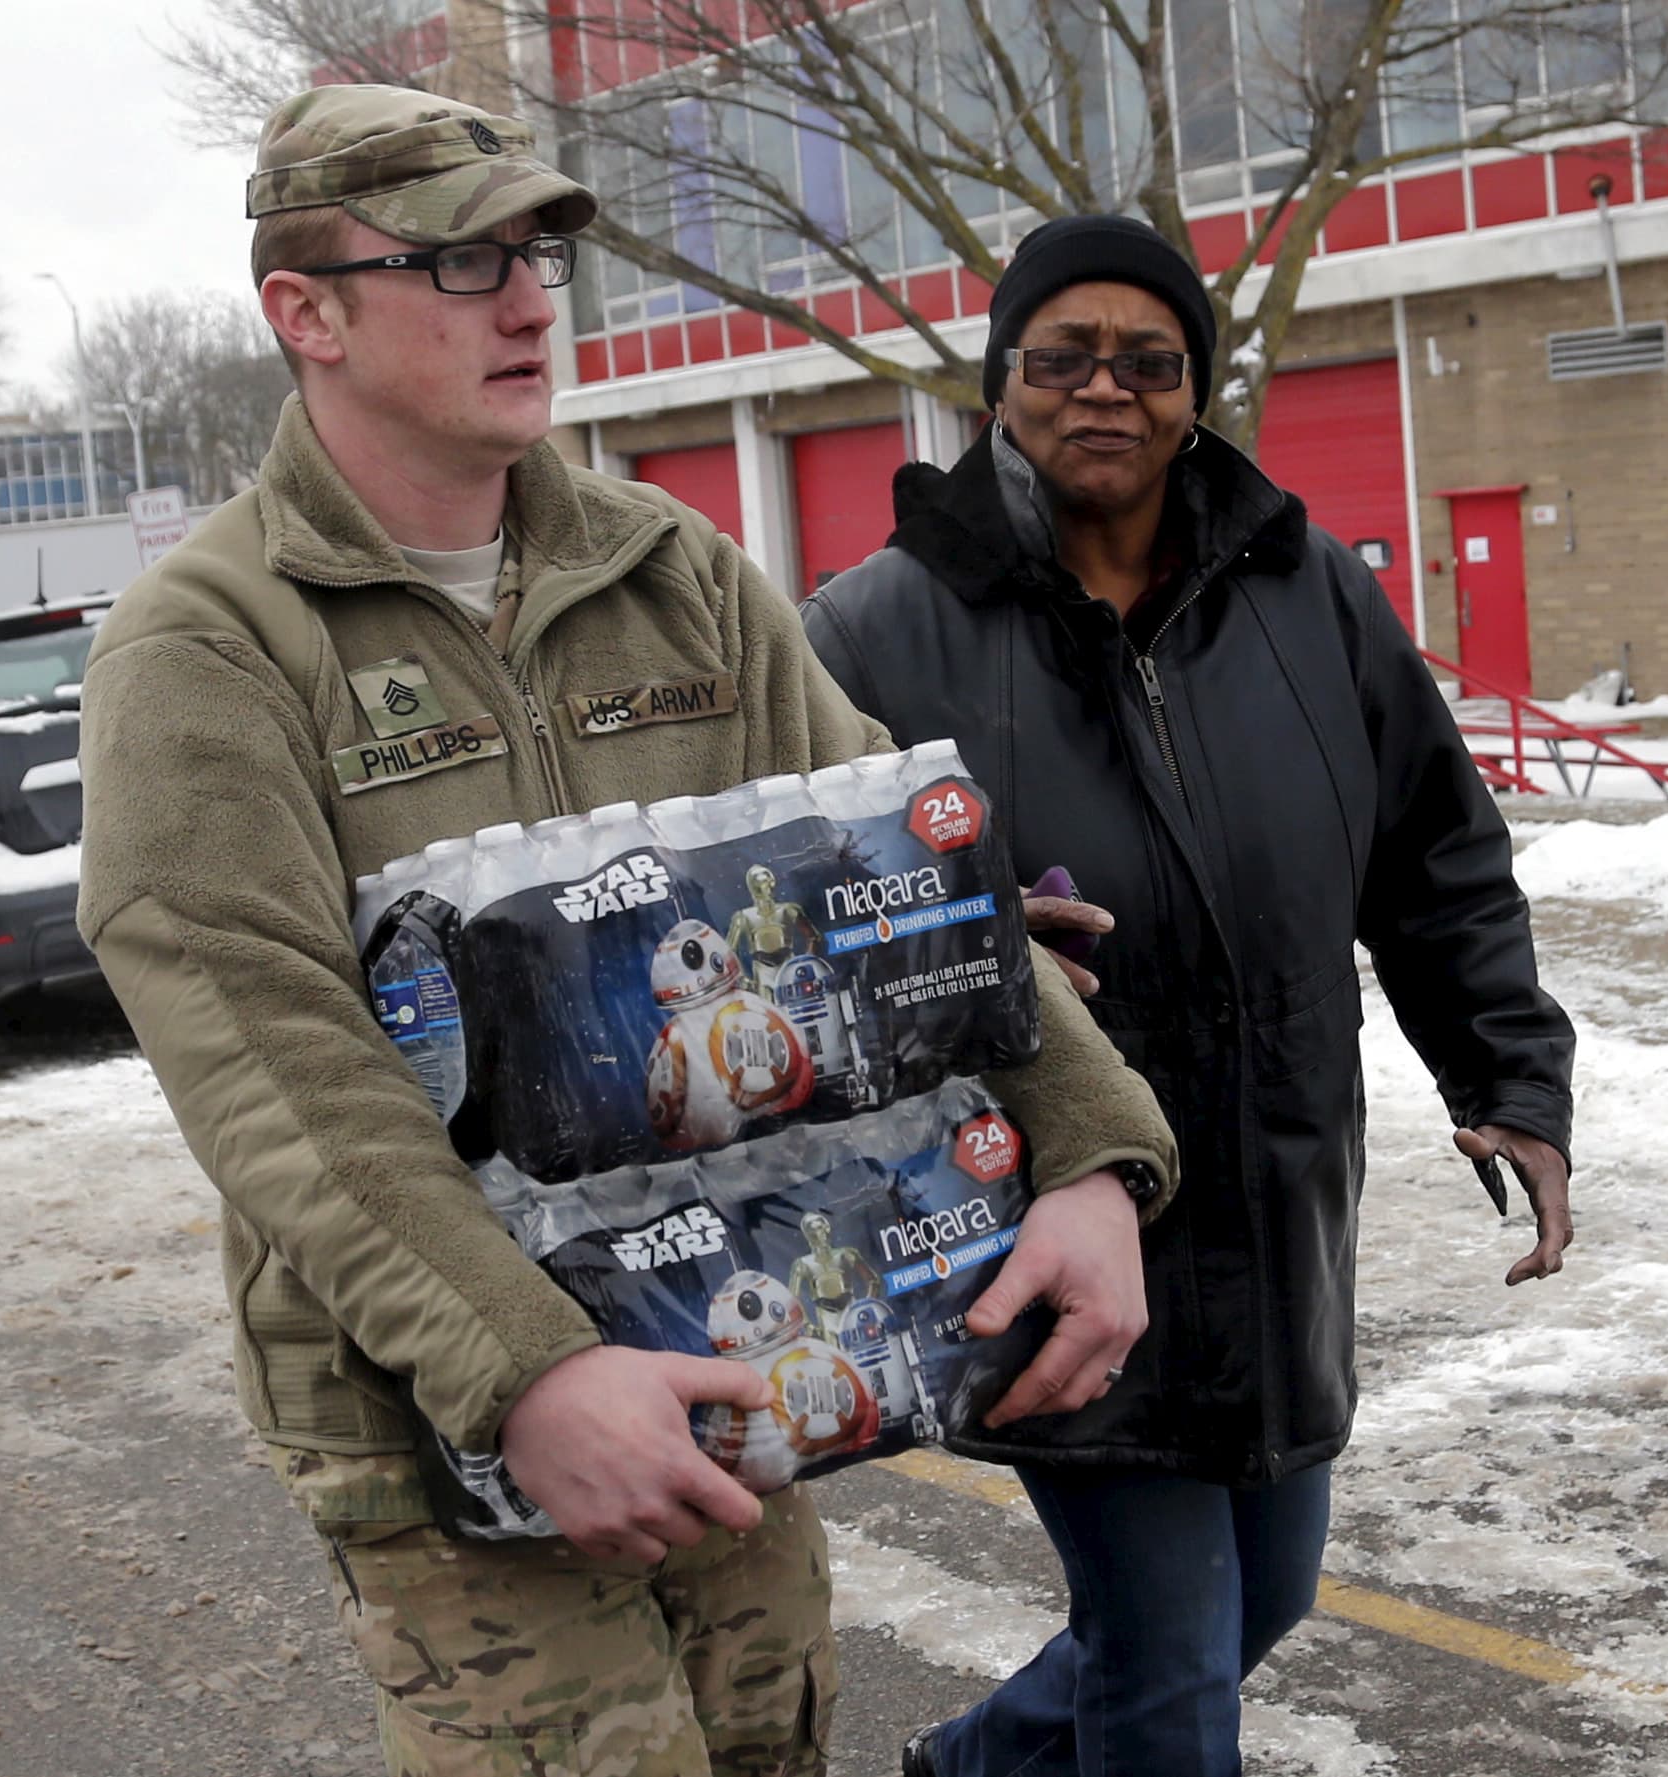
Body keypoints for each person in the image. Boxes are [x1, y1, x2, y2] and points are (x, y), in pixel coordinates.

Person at [74, 93, 1180, 1777]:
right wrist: (524, 1369)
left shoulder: (674, 571)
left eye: (532, 253)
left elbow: (901, 883)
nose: (527, 301)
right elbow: (264, 1051)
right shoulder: (210, 642)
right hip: (449, 1404)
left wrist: (1091, 1154)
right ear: (304, 313)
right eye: (456, 261)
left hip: (735, 1328)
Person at [801, 213, 1578, 1777]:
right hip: (1042, 1217)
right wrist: (950, 946)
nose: (1106, 389)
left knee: (1257, 1597)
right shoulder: (866, 631)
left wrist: (1508, 1077)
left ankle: (973, 1765)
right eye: (1061, 357)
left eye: (1146, 361)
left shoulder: (1307, 595)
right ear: (998, 382)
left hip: (1277, 1195)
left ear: (1194, 390)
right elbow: (796, 936)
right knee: (1167, 1669)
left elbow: (1433, 851)